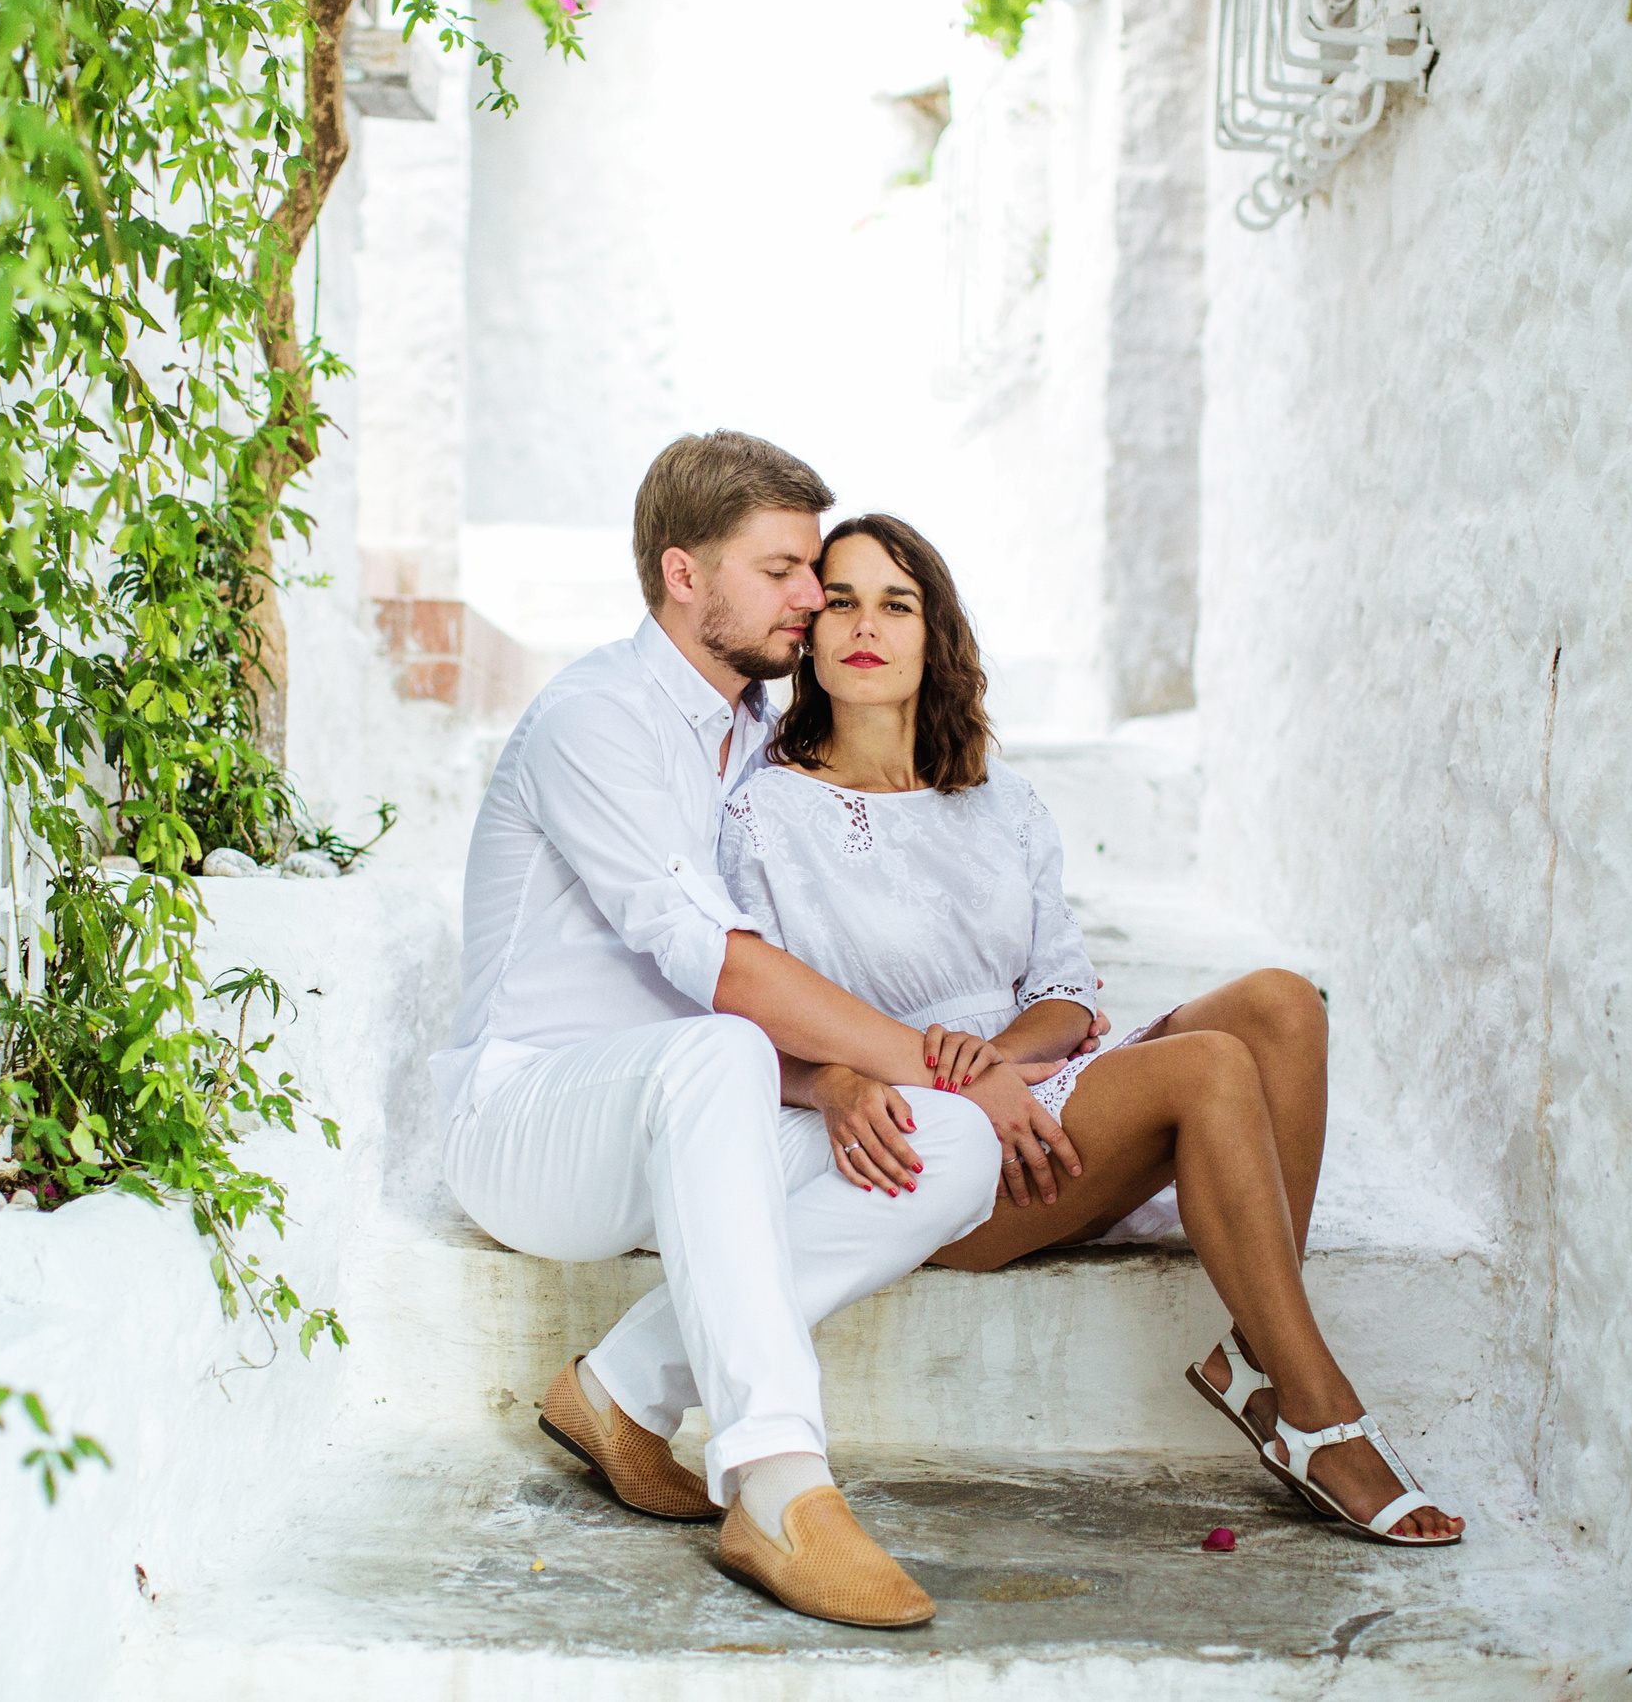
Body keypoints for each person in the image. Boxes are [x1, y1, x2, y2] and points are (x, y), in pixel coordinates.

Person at [432, 433, 1104, 1628]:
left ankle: (620, 1385)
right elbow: (721, 969)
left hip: (705, 1109)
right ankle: (779, 1478)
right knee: (739, 1048)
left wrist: (856, 1077)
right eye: (785, 569)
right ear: (684, 575)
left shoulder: (752, 728)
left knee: (945, 1141)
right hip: (534, 1125)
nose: (811, 598)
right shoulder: (599, 719)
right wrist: (944, 1061)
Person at [714, 512, 1464, 1547]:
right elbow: (735, 999)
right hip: (931, 1143)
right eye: (838, 599)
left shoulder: (1001, 802)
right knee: (1206, 1067)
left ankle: (1257, 1344)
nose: (864, 625)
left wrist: (1004, 1058)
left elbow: (1065, 990)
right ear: (808, 630)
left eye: (897, 602)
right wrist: (868, 1080)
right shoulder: (762, 815)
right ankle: (1313, 1406)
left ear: (935, 634)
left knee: (1281, 1002)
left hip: (1029, 1085)